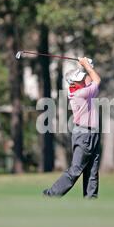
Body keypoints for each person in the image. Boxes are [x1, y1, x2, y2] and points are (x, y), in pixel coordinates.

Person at [43, 57, 101, 198]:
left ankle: (91, 200)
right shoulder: (80, 93)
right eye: (79, 79)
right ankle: (52, 194)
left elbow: (89, 81)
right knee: (76, 169)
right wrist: (87, 66)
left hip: (93, 133)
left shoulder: (79, 88)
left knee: (92, 170)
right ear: (73, 83)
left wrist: (86, 66)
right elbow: (97, 81)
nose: (83, 80)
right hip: (84, 135)